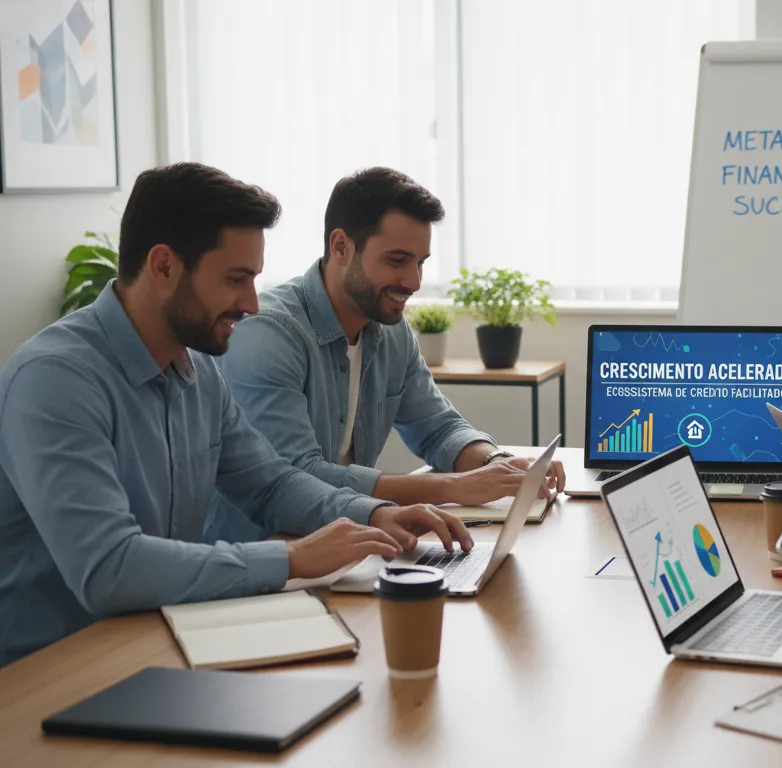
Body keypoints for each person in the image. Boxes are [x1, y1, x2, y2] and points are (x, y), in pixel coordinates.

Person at [0, 163, 473, 667]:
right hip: (48, 672)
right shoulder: (57, 380)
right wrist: (290, 558)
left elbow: (271, 484)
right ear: (163, 267)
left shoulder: (198, 371)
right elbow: (108, 567)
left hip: (159, 643)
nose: (250, 304)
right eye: (235, 279)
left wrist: (376, 516)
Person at [205, 167, 563, 543]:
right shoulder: (268, 333)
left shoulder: (391, 329)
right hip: (264, 559)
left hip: (353, 545)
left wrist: (496, 463)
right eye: (397, 261)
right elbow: (296, 476)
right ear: (341, 246)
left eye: (421, 262)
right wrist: (456, 487)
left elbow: (439, 428)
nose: (414, 282)